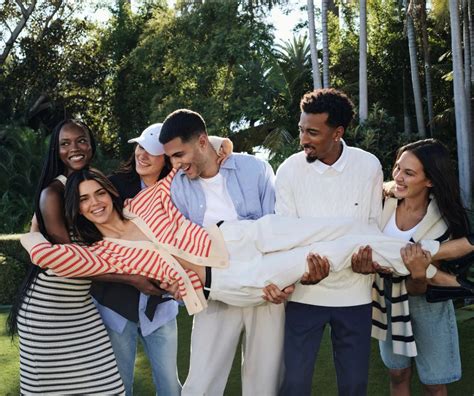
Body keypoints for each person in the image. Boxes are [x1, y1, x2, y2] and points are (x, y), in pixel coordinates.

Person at [20, 168, 474, 312]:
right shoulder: (97, 254)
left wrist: (219, 144)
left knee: (338, 225)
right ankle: (440, 265)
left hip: (239, 236)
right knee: (336, 251)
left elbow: (184, 158)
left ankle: (434, 266)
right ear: (77, 211)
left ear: (110, 191)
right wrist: (39, 220)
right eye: (84, 200)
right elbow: (48, 257)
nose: (96, 202)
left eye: (99, 192)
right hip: (232, 277)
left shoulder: (144, 202)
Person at [90, 122, 233, 396]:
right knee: (120, 386)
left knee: (169, 385)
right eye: (140, 147)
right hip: (117, 303)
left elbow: (198, 144)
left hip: (162, 305)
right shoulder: (114, 187)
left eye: (151, 151)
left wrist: (222, 144)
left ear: (167, 157)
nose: (141, 155)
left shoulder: (181, 187)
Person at [158, 108, 287, 396]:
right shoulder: (176, 188)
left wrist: (280, 280)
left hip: (263, 287)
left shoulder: (255, 169)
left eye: (179, 155)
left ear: (203, 142)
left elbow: (277, 229)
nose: (175, 164)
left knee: (264, 383)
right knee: (200, 384)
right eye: (170, 158)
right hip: (214, 289)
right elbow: (179, 244)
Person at [275, 88, 384, 395]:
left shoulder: (369, 166)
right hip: (304, 296)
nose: (303, 139)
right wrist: (303, 270)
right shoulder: (288, 171)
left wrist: (370, 264)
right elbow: (285, 235)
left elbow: (372, 228)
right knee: (294, 384)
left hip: (355, 297)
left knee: (354, 385)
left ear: (338, 132)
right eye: (301, 129)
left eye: (312, 132)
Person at [8, 120, 126, 395]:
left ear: (91, 144)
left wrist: (221, 147)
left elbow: (140, 170)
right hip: (46, 311)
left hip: (80, 307)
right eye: (65, 143)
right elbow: (71, 262)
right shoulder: (53, 193)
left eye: (81, 140)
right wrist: (132, 279)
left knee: (108, 387)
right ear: (56, 150)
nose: (75, 148)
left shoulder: (90, 184)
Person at [352, 139, 471, 395]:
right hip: (387, 299)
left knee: (434, 383)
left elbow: (421, 285)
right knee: (397, 373)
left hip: (428, 302)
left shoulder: (444, 222)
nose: (398, 177)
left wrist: (418, 275)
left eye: (409, 173)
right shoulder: (380, 202)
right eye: (397, 168)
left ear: (430, 180)